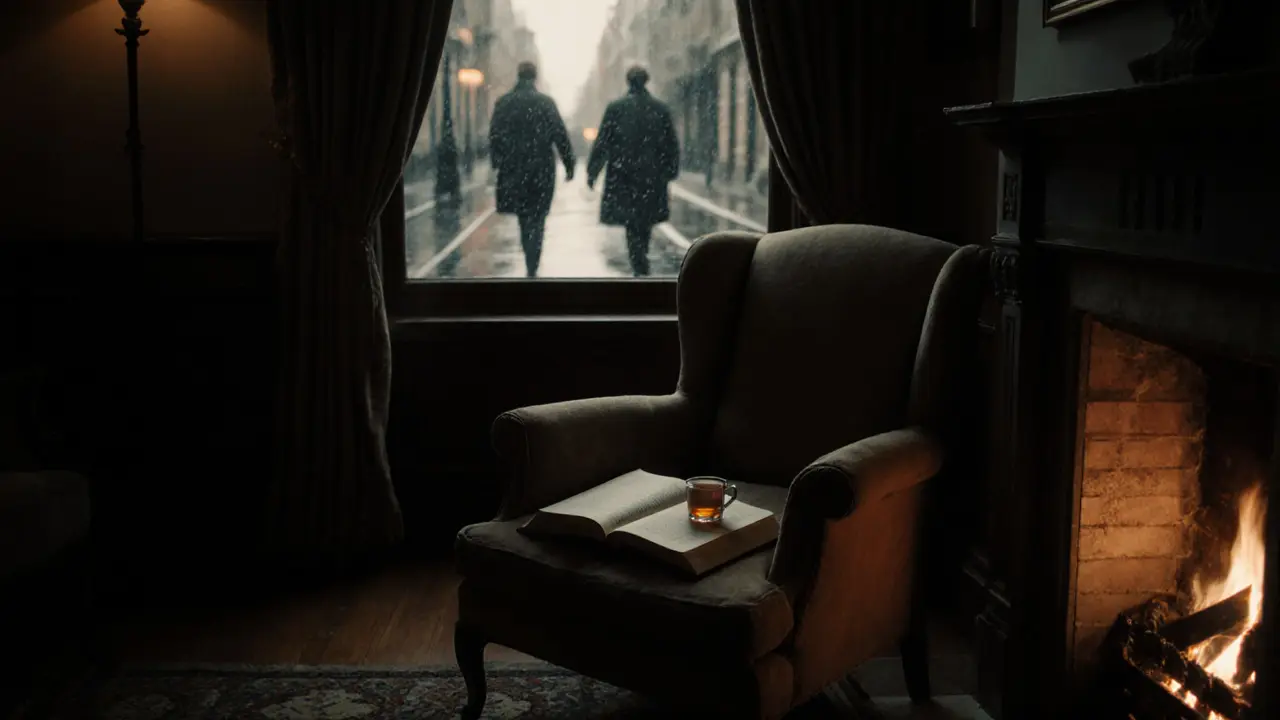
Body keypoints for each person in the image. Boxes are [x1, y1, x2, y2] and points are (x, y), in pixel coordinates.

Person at [586, 66, 680, 277]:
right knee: (644, 222)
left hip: (624, 176)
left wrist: (593, 172)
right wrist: (670, 171)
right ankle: (640, 261)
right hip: (651, 177)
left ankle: (638, 263)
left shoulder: (616, 109)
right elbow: (671, 145)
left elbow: (602, 143)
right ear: (646, 81)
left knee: (632, 224)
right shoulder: (660, 109)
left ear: (628, 82)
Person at [488, 62, 575, 277]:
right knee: (538, 217)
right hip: (541, 169)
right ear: (535, 77)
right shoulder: (546, 103)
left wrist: (497, 161)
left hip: (514, 167)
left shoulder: (504, 102)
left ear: (518, 75)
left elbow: (495, 135)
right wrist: (569, 164)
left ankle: (530, 255)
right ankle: (533, 261)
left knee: (523, 216)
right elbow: (560, 135)